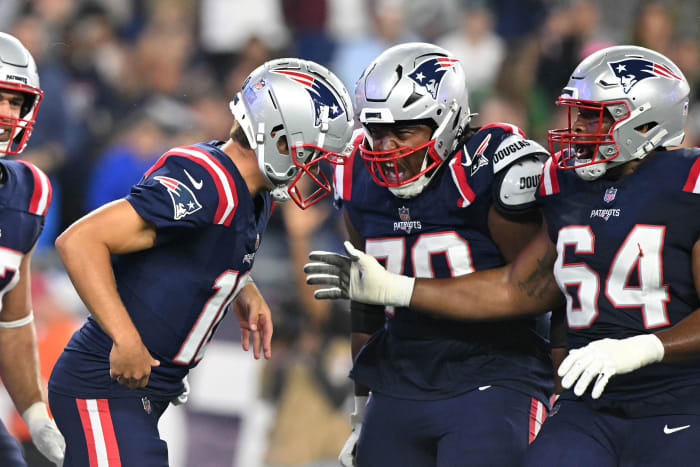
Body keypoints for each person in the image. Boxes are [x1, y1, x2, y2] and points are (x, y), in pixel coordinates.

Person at [306, 45, 700, 465]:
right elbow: (536, 288)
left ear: (646, 121)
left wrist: (644, 347)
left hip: (665, 395)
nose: (579, 127)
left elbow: (530, 293)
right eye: (579, 113)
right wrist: (362, 409)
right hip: (583, 402)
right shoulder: (563, 182)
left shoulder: (687, 183)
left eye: (595, 115)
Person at [47, 58, 354, 466]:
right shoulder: (209, 182)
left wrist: (240, 284)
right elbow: (80, 241)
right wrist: (125, 337)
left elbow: (191, 245)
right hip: (105, 387)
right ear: (279, 138)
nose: (315, 168)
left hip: (142, 393)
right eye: (312, 152)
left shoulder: (252, 189)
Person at [318, 42, 555, 467]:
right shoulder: (356, 172)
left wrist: (400, 288)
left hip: (494, 376)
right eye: (375, 131)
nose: (385, 148)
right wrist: (360, 408)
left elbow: (534, 290)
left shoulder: (492, 167)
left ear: (445, 121)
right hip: (401, 378)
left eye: (402, 131)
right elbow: (366, 299)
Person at [0, 32, 65, 467]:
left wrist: (36, 414)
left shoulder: (27, 191)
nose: (8, 114)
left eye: (16, 102)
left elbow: (14, 319)